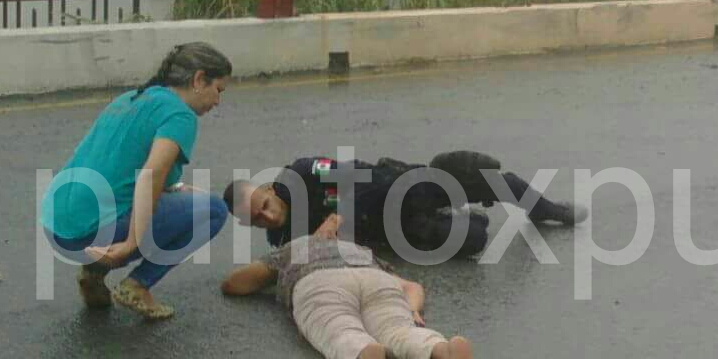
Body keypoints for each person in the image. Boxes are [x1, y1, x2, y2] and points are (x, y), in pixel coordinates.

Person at [221, 212, 486, 359]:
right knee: (400, 331)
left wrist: (274, 275)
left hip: (320, 282)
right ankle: (442, 352)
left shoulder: (297, 246)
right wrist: (413, 308)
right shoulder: (359, 250)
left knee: (340, 331)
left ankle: (364, 355)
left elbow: (236, 284)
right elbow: (412, 286)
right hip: (374, 277)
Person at [40, 42, 233, 320]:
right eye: (218, 90)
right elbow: (150, 175)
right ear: (199, 80)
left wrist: (175, 189)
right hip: (92, 233)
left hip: (58, 227)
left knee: (183, 202)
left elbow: (121, 165)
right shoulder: (180, 115)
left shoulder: (132, 98)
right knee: (213, 210)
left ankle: (94, 272)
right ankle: (137, 285)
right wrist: (132, 242)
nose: (218, 102)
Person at [224, 150, 585, 261]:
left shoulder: (301, 172)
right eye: (258, 220)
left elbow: (354, 176)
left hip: (398, 188)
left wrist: (335, 218)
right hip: (396, 234)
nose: (268, 216)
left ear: (270, 188)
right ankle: (463, 218)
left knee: (490, 180)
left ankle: (548, 209)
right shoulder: (283, 239)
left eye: (265, 205)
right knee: (475, 240)